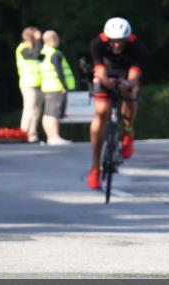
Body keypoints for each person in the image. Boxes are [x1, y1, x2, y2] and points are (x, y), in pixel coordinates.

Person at [86, 17, 144, 190]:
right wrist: (106, 82)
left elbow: (135, 72)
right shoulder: (97, 43)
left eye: (121, 42)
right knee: (102, 111)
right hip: (106, 73)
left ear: (127, 39)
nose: (117, 45)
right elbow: (100, 70)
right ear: (107, 39)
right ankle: (95, 168)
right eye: (114, 42)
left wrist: (128, 84)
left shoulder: (137, 46)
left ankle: (128, 131)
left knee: (130, 95)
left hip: (126, 74)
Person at [39, 30, 76, 146]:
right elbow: (59, 72)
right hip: (56, 87)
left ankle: (51, 137)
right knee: (53, 114)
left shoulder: (43, 53)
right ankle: (54, 137)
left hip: (46, 87)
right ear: (53, 39)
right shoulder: (55, 53)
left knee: (47, 114)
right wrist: (63, 86)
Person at [15, 27, 43, 144]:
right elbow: (35, 55)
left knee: (37, 110)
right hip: (28, 83)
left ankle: (32, 135)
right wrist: (37, 40)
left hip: (39, 83)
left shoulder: (35, 47)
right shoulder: (22, 48)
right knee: (29, 109)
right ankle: (23, 133)